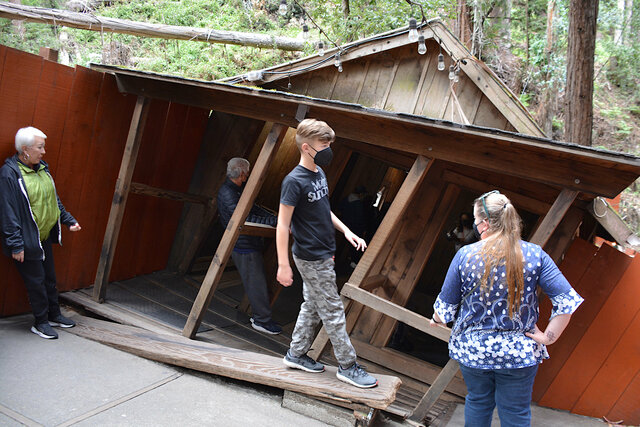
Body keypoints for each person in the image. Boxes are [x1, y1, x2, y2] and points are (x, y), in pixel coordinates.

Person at [431, 190, 584, 427]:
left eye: (474, 219)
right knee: (516, 412)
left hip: (474, 352)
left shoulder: (465, 256)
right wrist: (547, 338)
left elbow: (444, 312)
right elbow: (567, 300)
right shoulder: (535, 255)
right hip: (519, 354)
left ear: (483, 224)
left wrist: (436, 318)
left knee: (478, 403)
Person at [276, 118, 378, 389]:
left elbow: (323, 209)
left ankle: (296, 354)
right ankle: (347, 366)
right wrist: (283, 264)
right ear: (307, 147)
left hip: (323, 253)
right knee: (332, 309)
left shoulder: (319, 173)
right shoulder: (293, 181)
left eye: (330, 142)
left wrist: (346, 231)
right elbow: (283, 224)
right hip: (310, 256)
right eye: (325, 144)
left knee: (312, 305)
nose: (330, 147)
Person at [0, 127, 82, 339]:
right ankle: (41, 322)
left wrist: (68, 219)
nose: (44, 151)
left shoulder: (42, 168)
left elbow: (53, 200)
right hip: (26, 242)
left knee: (49, 279)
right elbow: (7, 212)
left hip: (43, 237)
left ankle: (54, 315)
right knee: (35, 283)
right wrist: (16, 244)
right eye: (40, 147)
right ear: (25, 149)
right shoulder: (10, 174)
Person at [217, 157, 282, 335]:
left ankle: (261, 317)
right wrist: (273, 221)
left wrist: (273, 217)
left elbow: (253, 209)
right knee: (256, 284)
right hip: (243, 245)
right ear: (243, 174)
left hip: (248, 243)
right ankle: (261, 321)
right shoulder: (228, 193)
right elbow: (245, 218)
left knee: (258, 282)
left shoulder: (235, 190)